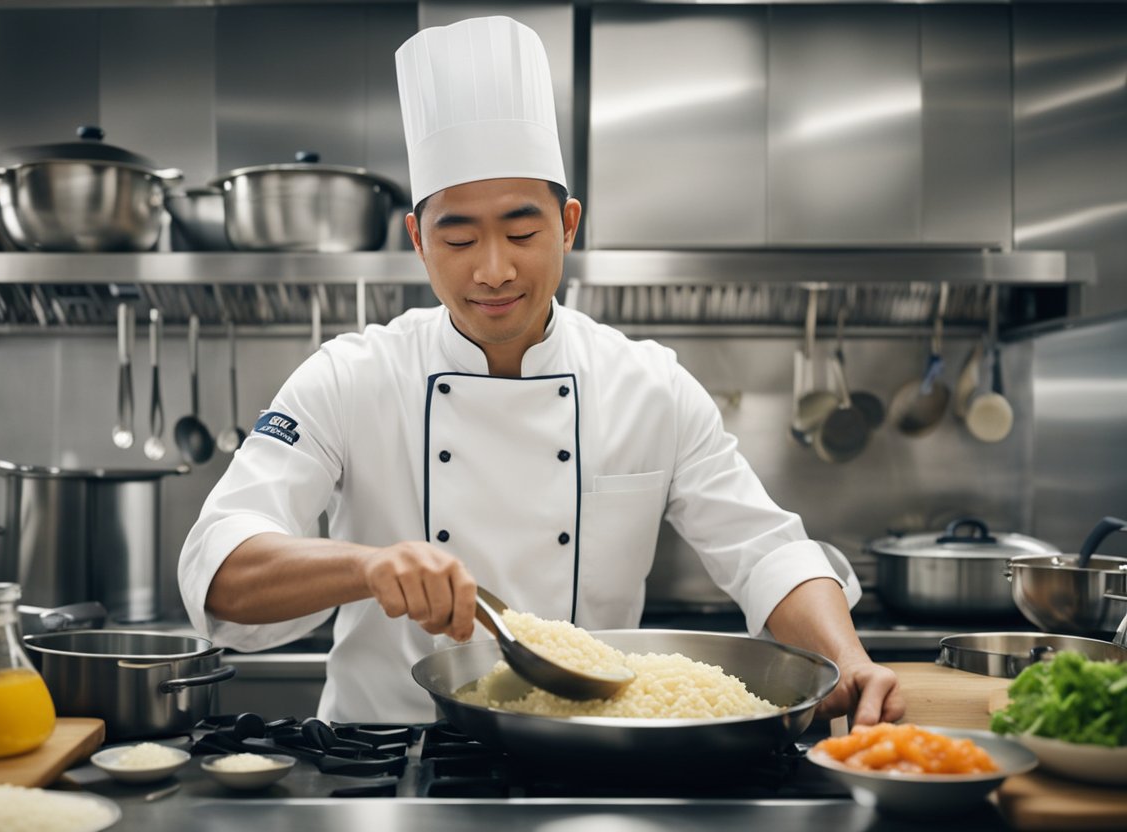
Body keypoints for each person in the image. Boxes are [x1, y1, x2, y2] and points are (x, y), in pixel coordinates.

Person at [179, 15, 904, 726]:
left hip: (592, 758)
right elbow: (222, 566)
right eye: (457, 237)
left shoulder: (648, 386)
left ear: (568, 226)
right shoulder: (349, 377)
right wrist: (366, 567)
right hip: (385, 760)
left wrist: (852, 659)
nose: (493, 270)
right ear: (417, 240)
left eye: (522, 232)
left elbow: (765, 551)